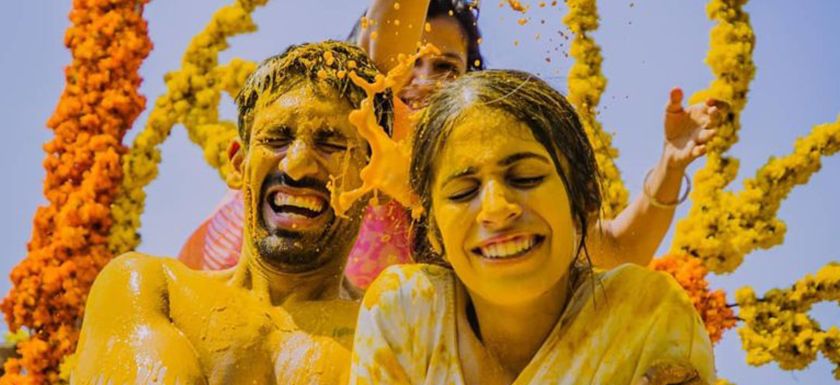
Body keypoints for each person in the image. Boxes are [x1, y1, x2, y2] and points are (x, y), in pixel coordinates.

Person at [36, 42, 704, 385]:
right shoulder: (148, 287)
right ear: (238, 162)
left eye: (332, 144)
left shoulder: (406, 338)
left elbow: (570, 296)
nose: (300, 163)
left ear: (373, 174)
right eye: (277, 139)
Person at [344, 70, 761, 385]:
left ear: (583, 200)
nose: (496, 209)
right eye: (462, 192)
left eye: (525, 177)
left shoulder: (642, 310)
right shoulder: (404, 313)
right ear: (432, 229)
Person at [181, 0, 722, 290]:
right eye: (413, 58)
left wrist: (670, 167)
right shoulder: (364, 117)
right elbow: (383, 53)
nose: (423, 76)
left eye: (446, 66)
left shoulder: (471, 178)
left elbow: (615, 254)